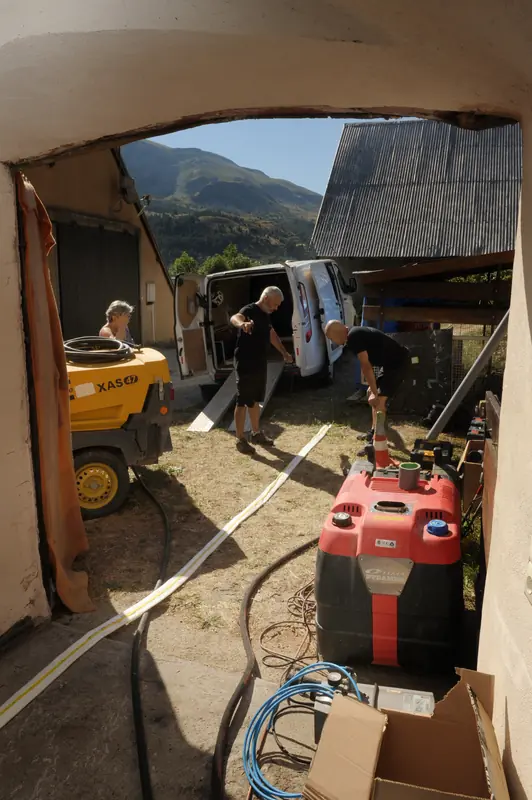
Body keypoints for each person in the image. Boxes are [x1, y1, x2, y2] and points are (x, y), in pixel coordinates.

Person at [325, 321, 412, 443]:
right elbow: (368, 363)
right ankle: (373, 432)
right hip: (388, 364)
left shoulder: (353, 336)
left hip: (398, 363)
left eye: (331, 338)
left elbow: (365, 365)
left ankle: (378, 438)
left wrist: (374, 391)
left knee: (379, 400)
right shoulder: (353, 335)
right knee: (374, 399)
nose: (332, 342)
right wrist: (372, 387)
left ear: (337, 333)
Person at [231, 286, 293, 455]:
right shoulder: (249, 310)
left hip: (259, 361)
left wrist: (284, 352)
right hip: (245, 361)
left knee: (255, 399)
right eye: (276, 303)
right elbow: (235, 318)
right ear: (266, 298)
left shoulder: (265, 315)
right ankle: (240, 439)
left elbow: (271, 334)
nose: (277, 307)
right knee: (243, 400)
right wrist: (242, 324)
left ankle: (256, 433)